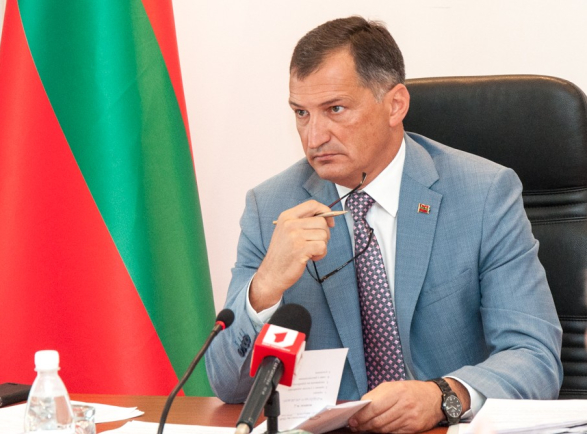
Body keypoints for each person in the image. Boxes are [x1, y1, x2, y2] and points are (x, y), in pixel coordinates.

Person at [205, 16, 562, 432]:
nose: (313, 137)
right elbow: (228, 386)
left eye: (335, 109)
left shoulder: (483, 195)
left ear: (395, 105)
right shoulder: (271, 207)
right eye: (301, 113)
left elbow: (534, 355)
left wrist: (442, 396)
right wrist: (265, 286)